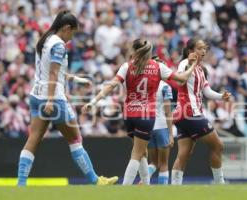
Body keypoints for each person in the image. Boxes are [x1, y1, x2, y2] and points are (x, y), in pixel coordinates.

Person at [17, 10, 118, 186]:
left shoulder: (45, 40)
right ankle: (96, 181)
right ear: (66, 28)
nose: (72, 37)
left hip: (35, 96)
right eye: (73, 32)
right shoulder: (59, 45)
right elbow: (54, 74)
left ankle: (21, 184)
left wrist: (76, 79)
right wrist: (50, 100)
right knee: (75, 139)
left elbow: (52, 70)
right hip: (53, 98)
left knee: (33, 139)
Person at [82, 38, 199, 185]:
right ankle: (126, 189)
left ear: (133, 50)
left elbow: (111, 85)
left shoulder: (127, 66)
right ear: (149, 52)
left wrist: (93, 101)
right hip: (146, 115)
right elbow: (182, 79)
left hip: (129, 114)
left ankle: (146, 184)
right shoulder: (157, 67)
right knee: (137, 154)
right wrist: (193, 64)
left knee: (142, 152)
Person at [171, 38, 231, 185]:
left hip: (182, 115)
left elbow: (207, 91)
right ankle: (220, 185)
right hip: (191, 113)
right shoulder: (185, 63)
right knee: (218, 146)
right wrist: (190, 64)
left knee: (184, 155)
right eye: (199, 48)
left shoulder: (200, 69)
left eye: (205, 48)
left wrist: (221, 97)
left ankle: (174, 189)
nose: (203, 51)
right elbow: (179, 81)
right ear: (191, 51)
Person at [146, 56, 174, 185]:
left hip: (147, 126)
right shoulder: (165, 87)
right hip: (162, 126)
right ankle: (163, 192)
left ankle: (143, 179)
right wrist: (170, 134)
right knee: (163, 164)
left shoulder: (145, 85)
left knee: (153, 162)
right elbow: (168, 112)